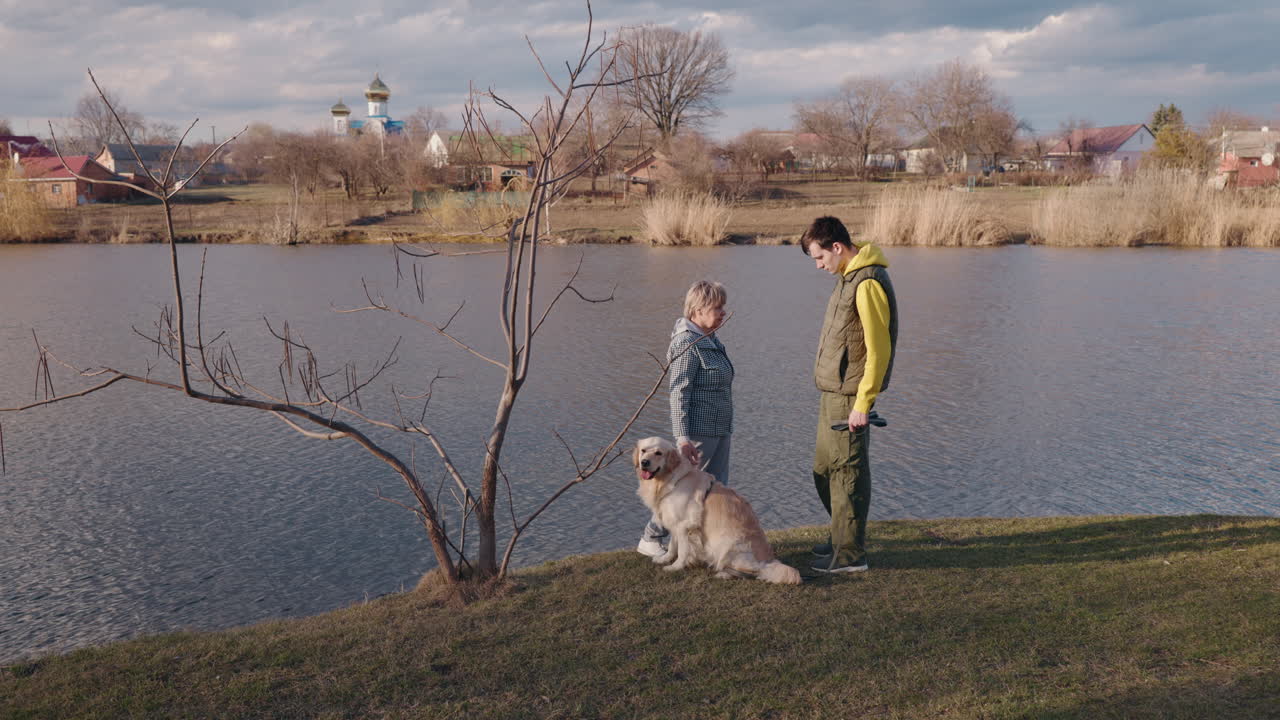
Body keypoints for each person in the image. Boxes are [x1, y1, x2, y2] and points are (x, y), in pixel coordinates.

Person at [801, 216, 898, 574]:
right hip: (832, 394)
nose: (818, 265)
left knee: (848, 472)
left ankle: (850, 555)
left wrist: (863, 402)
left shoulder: (867, 283)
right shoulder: (847, 277)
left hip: (850, 399)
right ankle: (841, 536)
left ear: (837, 248)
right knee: (824, 470)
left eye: (819, 257)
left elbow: (879, 350)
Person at [636, 280, 734, 557]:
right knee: (682, 491)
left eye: (723, 307)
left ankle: (704, 543)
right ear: (698, 310)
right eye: (717, 307)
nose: (723, 313)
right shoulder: (686, 344)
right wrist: (683, 439)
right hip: (699, 433)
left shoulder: (709, 339)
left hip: (720, 428)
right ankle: (651, 537)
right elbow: (678, 393)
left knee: (714, 489)